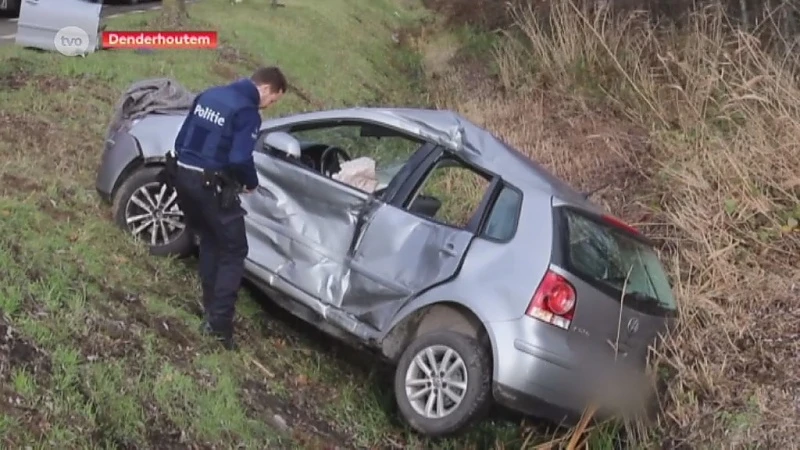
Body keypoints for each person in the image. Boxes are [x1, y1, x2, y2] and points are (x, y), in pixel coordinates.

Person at [170, 67, 286, 350]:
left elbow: (182, 138)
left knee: (211, 241)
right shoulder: (247, 112)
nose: (269, 106)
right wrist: (250, 182)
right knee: (234, 250)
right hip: (209, 184)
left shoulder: (210, 95)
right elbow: (239, 157)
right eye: (273, 101)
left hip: (183, 175)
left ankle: (210, 310)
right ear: (267, 89)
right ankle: (219, 325)